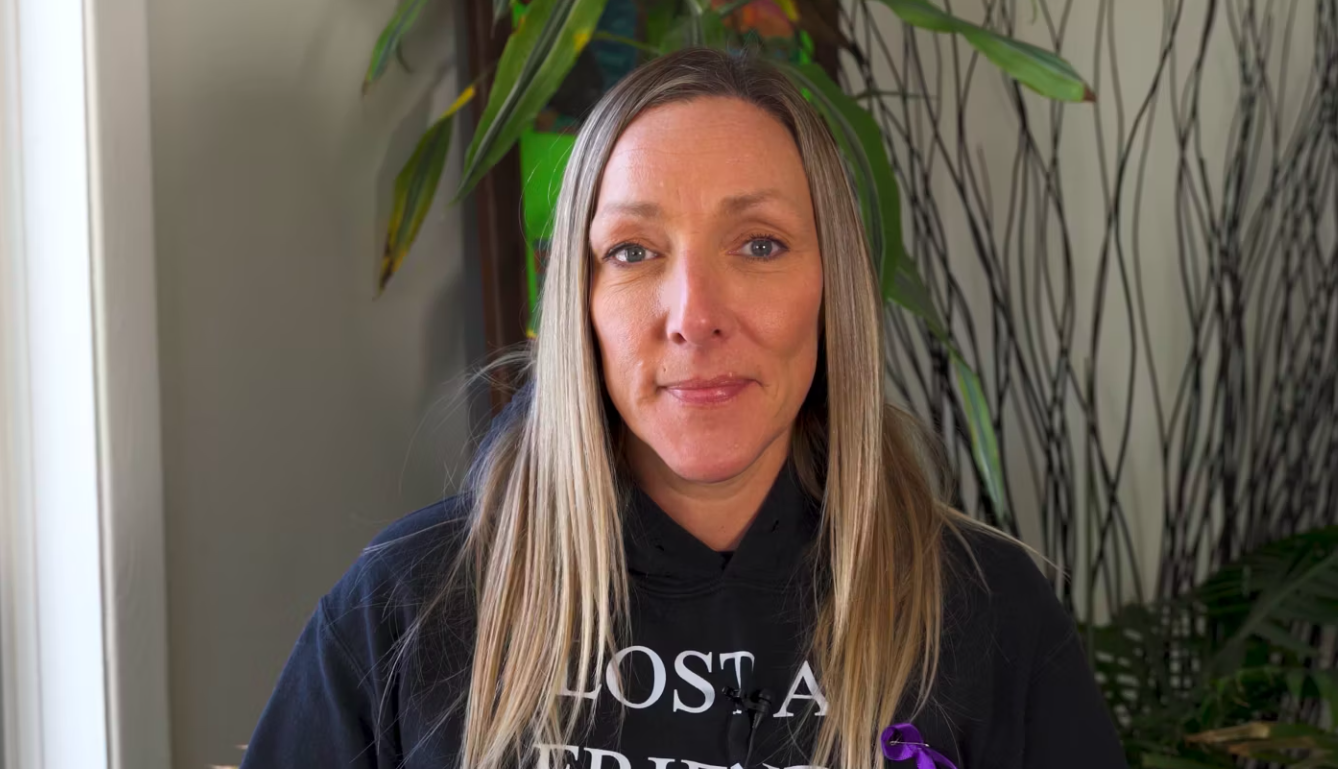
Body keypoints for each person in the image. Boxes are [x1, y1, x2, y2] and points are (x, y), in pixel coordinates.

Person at [239, 47, 1126, 769]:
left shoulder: (987, 614)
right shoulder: (404, 607)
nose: (695, 314)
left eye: (760, 243)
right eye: (633, 251)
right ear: (578, 303)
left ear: (833, 287)